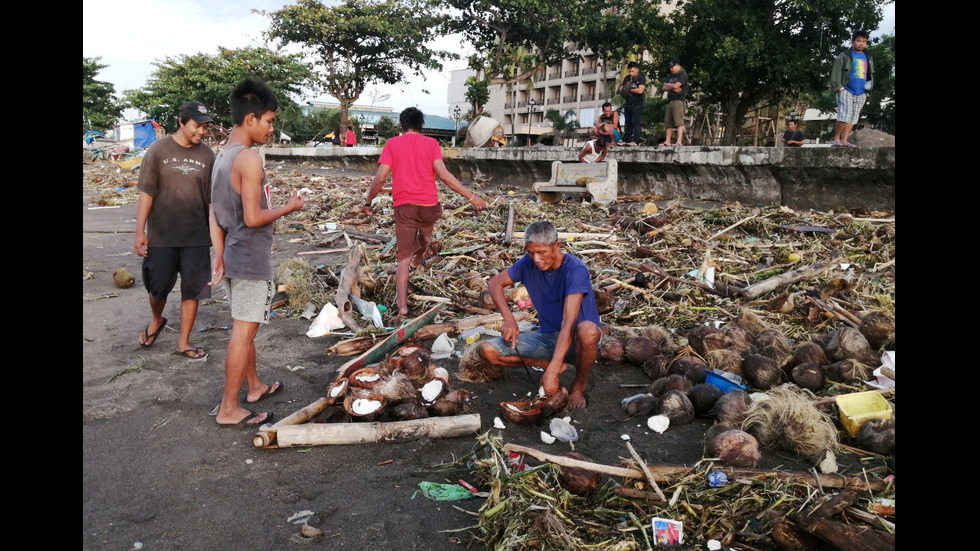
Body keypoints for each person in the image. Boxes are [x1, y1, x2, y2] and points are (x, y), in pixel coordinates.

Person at [209, 78, 306, 427]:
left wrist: (218, 255)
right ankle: (228, 409)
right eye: (269, 120)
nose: (271, 128)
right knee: (244, 332)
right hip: (249, 258)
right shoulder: (248, 159)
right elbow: (252, 218)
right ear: (250, 119)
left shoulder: (223, 156)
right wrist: (289, 208)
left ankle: (254, 387)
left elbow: (214, 211)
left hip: (233, 255)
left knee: (243, 327)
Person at [362, 107, 488, 325]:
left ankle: (402, 307)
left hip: (405, 207)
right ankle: (418, 260)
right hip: (430, 205)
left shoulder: (392, 144)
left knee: (402, 259)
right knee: (426, 239)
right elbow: (444, 175)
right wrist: (471, 197)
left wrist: (368, 201)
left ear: (401, 125)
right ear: (421, 124)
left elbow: (381, 178)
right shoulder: (431, 144)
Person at [476, 221, 601, 410]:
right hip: (549, 337)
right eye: (530, 252)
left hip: (578, 341)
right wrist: (508, 319)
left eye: (541, 252)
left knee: (588, 331)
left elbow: (568, 323)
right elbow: (495, 284)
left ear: (557, 246)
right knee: (487, 350)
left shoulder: (575, 270)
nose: (535, 259)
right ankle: (547, 363)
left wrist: (552, 373)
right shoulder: (528, 263)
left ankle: (578, 387)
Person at [133, 101, 216, 360]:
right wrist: (140, 232)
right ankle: (157, 319)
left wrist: (216, 236)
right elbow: (147, 192)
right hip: (162, 234)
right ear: (181, 122)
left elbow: (211, 200)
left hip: (196, 236)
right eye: (197, 126)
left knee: (193, 290)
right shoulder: (158, 150)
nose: (202, 132)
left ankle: (184, 342)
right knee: (157, 288)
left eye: (205, 127)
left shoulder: (208, 156)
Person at [830, 30, 874, 147]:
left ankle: (844, 140)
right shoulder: (845, 55)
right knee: (845, 115)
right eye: (858, 41)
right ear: (853, 41)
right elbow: (836, 71)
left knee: (854, 117)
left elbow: (870, 74)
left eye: (864, 41)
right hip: (846, 90)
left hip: (861, 92)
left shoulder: (867, 56)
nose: (861, 44)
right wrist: (838, 88)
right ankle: (836, 139)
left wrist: (867, 90)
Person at [661, 59, 689, 147]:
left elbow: (676, 85)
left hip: (678, 100)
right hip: (670, 100)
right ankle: (667, 141)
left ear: (678, 65)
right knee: (668, 122)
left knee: (679, 122)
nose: (671, 69)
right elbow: (663, 87)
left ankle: (679, 141)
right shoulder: (670, 76)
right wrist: (672, 87)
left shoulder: (683, 75)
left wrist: (670, 86)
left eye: (672, 67)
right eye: (670, 68)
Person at [618, 62, 646, 146]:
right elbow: (622, 89)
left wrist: (629, 90)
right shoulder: (627, 78)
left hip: (637, 104)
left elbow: (640, 90)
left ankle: (635, 141)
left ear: (637, 70)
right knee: (628, 123)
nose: (631, 73)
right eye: (629, 71)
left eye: (632, 71)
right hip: (628, 103)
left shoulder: (641, 78)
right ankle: (626, 140)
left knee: (635, 123)